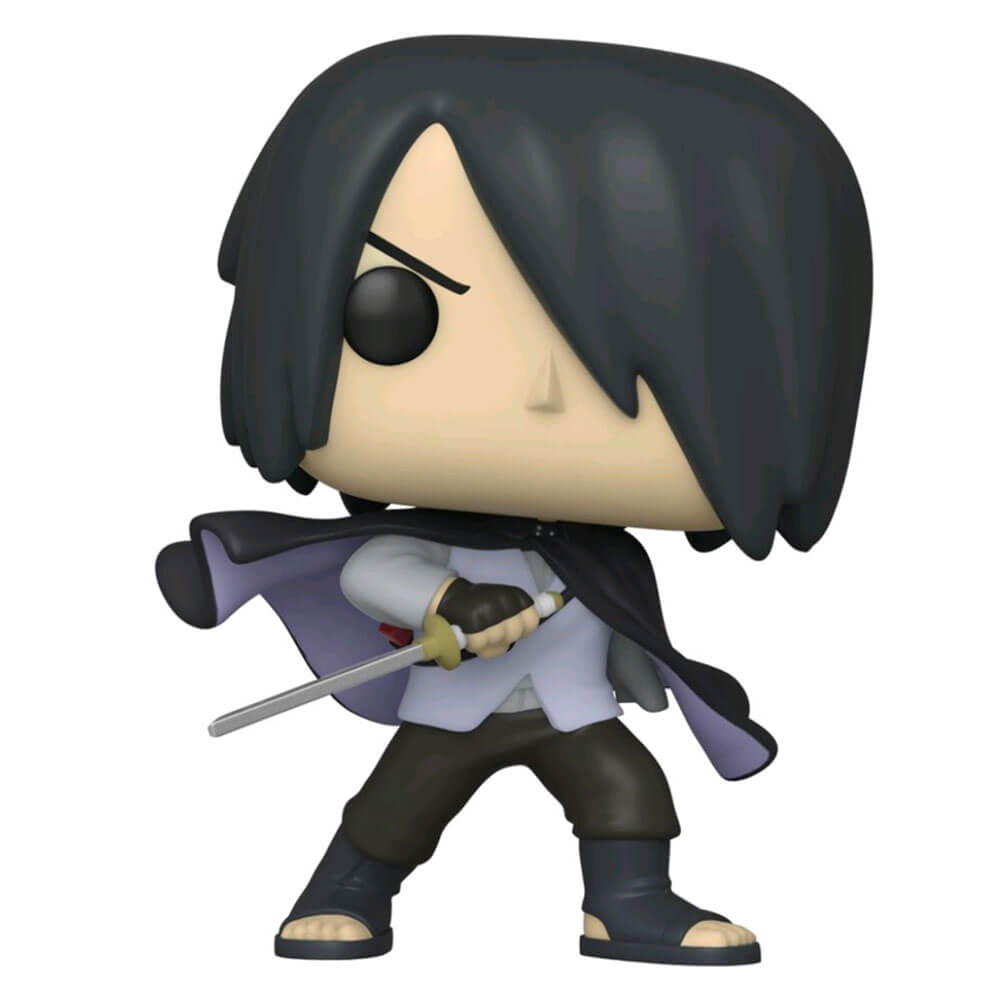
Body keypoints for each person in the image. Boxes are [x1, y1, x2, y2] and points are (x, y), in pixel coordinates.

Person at [156, 35, 872, 965]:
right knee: (398, 806)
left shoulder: (607, 553)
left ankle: (628, 905)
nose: (542, 391)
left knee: (627, 792)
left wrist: (642, 670)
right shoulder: (438, 540)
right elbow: (376, 571)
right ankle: (346, 891)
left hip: (577, 708)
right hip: (454, 704)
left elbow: (621, 613)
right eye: (393, 313)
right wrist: (451, 599)